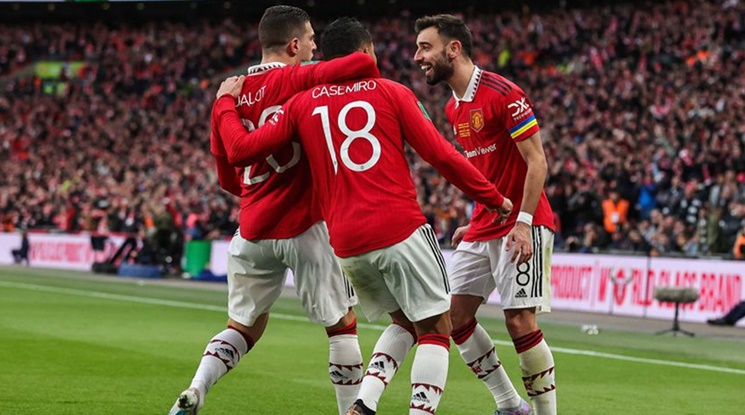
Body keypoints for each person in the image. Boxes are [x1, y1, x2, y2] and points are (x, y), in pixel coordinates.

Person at [214, 17, 512, 415]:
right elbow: (441, 155)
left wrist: (225, 106)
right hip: (399, 227)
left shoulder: (302, 104)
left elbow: (241, 150)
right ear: (366, 52)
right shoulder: (391, 92)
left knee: (403, 322)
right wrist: (493, 198)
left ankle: (364, 404)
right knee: (436, 328)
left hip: (346, 244)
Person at [168, 6, 381, 415]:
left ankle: (195, 389)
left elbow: (227, 178)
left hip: (252, 229)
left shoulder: (228, 95)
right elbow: (362, 63)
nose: (316, 47)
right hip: (305, 225)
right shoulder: (297, 77)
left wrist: (259, 189)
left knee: (243, 327)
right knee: (341, 323)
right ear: (294, 45)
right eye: (312, 40)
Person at [414, 14, 557, 415]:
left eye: (425, 47)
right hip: (485, 223)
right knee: (454, 317)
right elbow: (486, 171)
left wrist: (523, 223)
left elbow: (537, 162)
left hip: (525, 222)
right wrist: (475, 219)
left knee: (519, 322)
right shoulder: (452, 108)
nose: (417, 56)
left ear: (453, 49)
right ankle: (510, 404)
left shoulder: (503, 93)